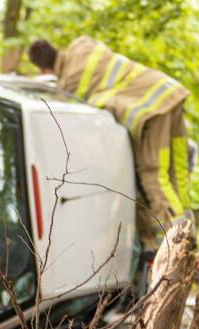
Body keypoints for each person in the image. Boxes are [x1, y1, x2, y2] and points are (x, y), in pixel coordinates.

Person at [27, 37, 190, 247]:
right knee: (178, 175)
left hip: (152, 111)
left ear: (43, 70)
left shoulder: (68, 85)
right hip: (168, 91)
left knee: (153, 175)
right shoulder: (82, 46)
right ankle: (189, 234)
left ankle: (177, 243)